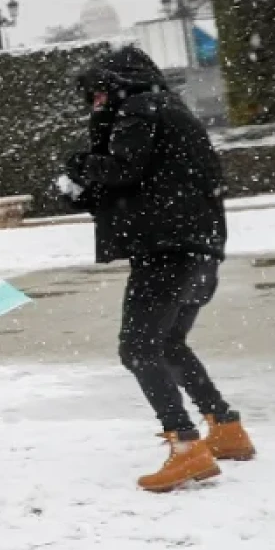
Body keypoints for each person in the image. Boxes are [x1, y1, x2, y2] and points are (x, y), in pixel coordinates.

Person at [60, 45, 255, 492]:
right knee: (168, 342)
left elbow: (125, 169)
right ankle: (226, 429)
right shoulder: (167, 108)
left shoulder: (140, 108)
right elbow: (147, 178)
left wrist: (78, 165)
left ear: (115, 83)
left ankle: (187, 449)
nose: (95, 103)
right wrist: (87, 188)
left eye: (97, 94)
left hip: (168, 249)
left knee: (138, 349)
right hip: (200, 246)